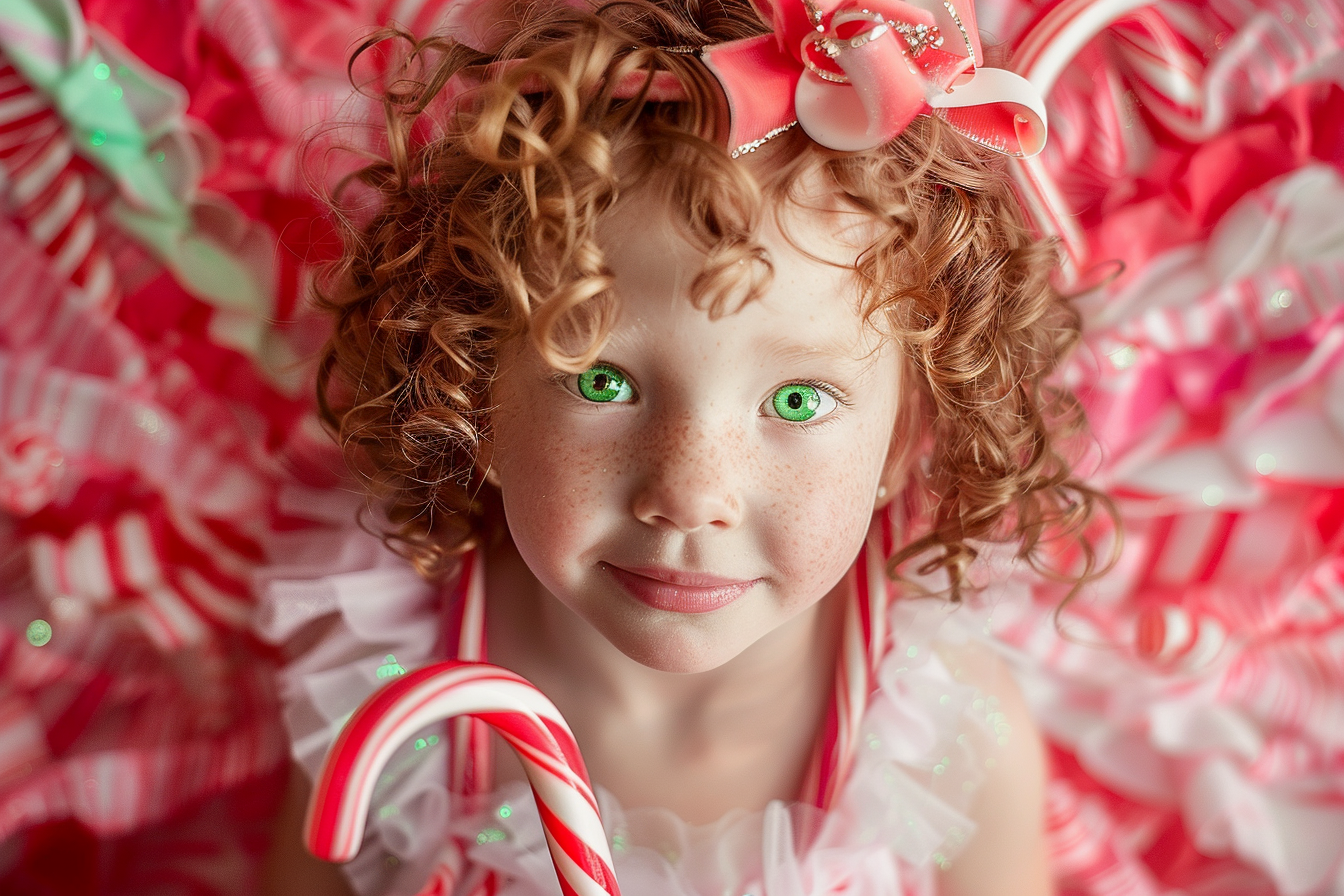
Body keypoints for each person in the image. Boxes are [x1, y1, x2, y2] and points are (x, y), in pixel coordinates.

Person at [257, 1, 1106, 893]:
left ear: (904, 438)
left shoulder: (949, 741)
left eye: (798, 399)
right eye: (601, 380)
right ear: (475, 391)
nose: (691, 493)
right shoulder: (386, 693)